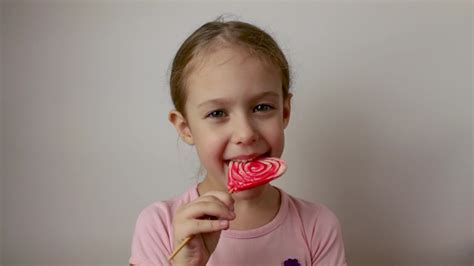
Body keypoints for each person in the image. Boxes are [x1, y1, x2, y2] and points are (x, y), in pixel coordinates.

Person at [129, 16, 347, 266]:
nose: (245, 134)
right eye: (217, 113)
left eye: (262, 107)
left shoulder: (317, 226)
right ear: (186, 127)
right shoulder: (160, 226)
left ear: (285, 112)